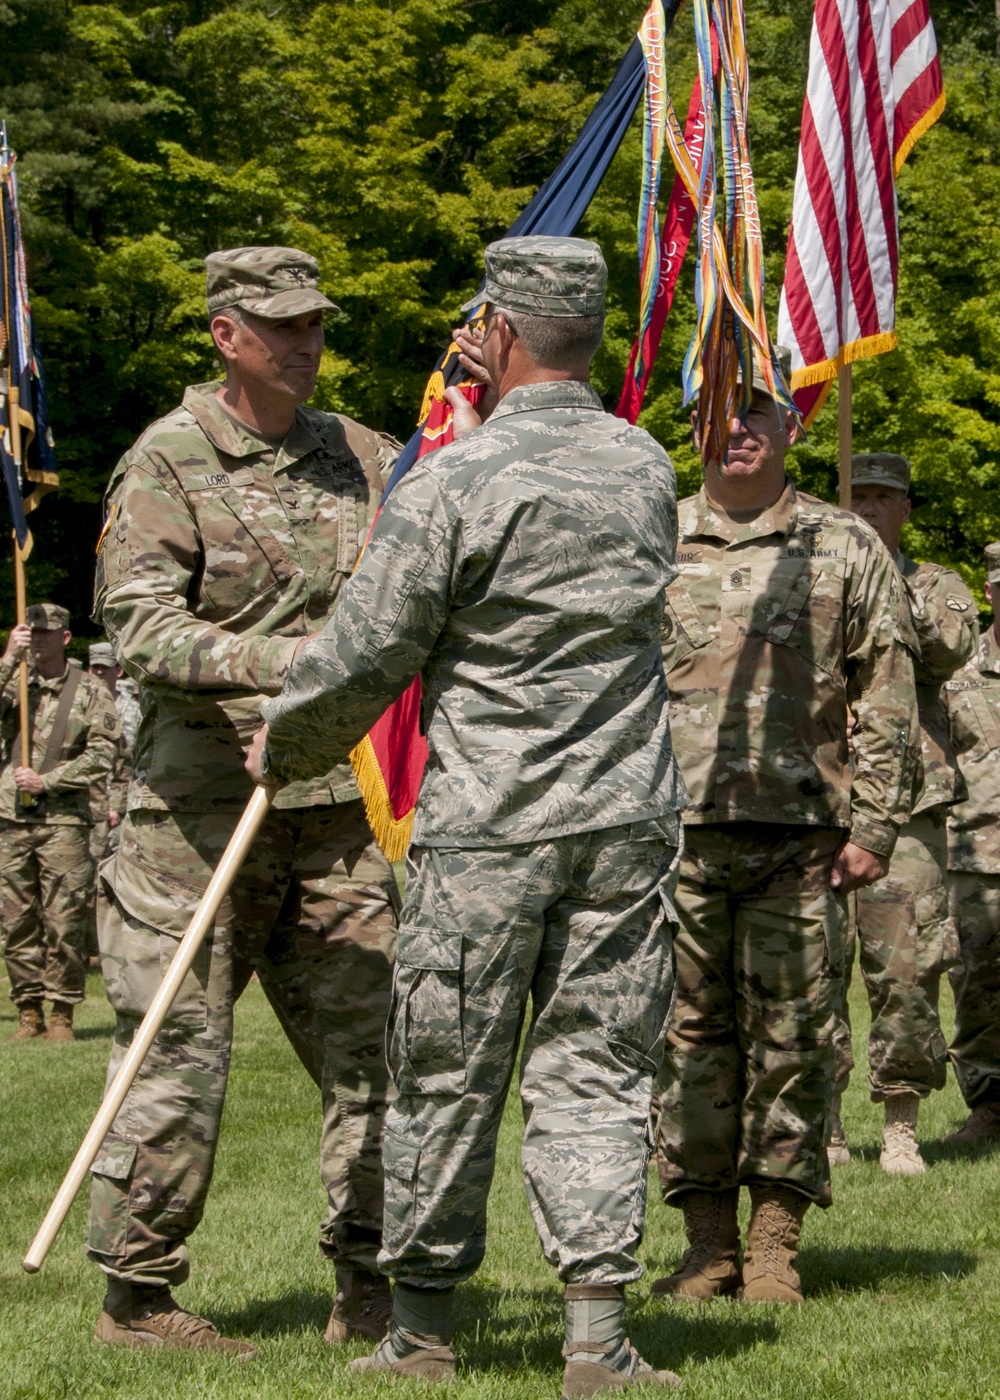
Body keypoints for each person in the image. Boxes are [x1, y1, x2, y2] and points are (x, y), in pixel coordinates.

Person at [248, 235, 687, 1395]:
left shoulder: (456, 476)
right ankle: (595, 1337)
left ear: (494, 331)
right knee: (599, 1066)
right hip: (625, 818)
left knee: (446, 1067)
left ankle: (425, 1329)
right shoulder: (645, 466)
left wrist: (282, 739)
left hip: (489, 821)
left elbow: (370, 647)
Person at [87, 246, 400, 1357]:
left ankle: (372, 1282)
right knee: (176, 1060)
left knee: (378, 1056)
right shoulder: (167, 460)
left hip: (338, 815)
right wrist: (292, 662)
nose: (308, 346)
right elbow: (139, 628)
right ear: (226, 334)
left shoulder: (366, 457)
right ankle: (139, 1294)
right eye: (283, 328)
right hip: (197, 815)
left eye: (317, 325)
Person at [651, 357, 920, 1305]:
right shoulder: (651, 534)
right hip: (673, 841)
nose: (736, 428)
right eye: (716, 412)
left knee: (797, 1042)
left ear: (791, 428)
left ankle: (775, 1242)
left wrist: (877, 823)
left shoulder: (843, 544)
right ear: (691, 427)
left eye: (756, 411)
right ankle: (705, 1242)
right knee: (686, 1045)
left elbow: (887, 692)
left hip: (802, 842)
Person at [839, 453, 977, 1173]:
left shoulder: (935, 584)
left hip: (908, 804)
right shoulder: (815, 575)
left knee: (906, 970)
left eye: (881, 498)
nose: (865, 507)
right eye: (854, 495)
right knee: (811, 972)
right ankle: (823, 1125)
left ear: (906, 509)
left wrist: (882, 576)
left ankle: (900, 1121)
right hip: (823, 797)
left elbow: (949, 650)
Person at [0, 604, 120, 1041]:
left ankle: (62, 1013)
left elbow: (103, 754)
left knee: (64, 919)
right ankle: (27, 1009)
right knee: (16, 921)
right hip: (12, 818)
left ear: (65, 638)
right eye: (31, 632)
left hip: (65, 820)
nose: (37, 639)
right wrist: (7, 659)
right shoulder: (15, 686)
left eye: (46, 633)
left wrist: (47, 780)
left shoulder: (89, 690)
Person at [942, 541, 1000, 1144]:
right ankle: (989, 1108)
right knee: (978, 991)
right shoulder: (955, 671)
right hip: (977, 856)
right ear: (990, 592)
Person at [84, 642, 130, 961]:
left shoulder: (134, 706)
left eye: (105, 666)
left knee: (117, 880)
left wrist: (117, 805)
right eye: (94, 667)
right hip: (84, 804)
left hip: (121, 807)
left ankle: (111, 947)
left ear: (118, 669)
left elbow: (127, 763)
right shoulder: (78, 701)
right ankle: (88, 948)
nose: (99, 672)